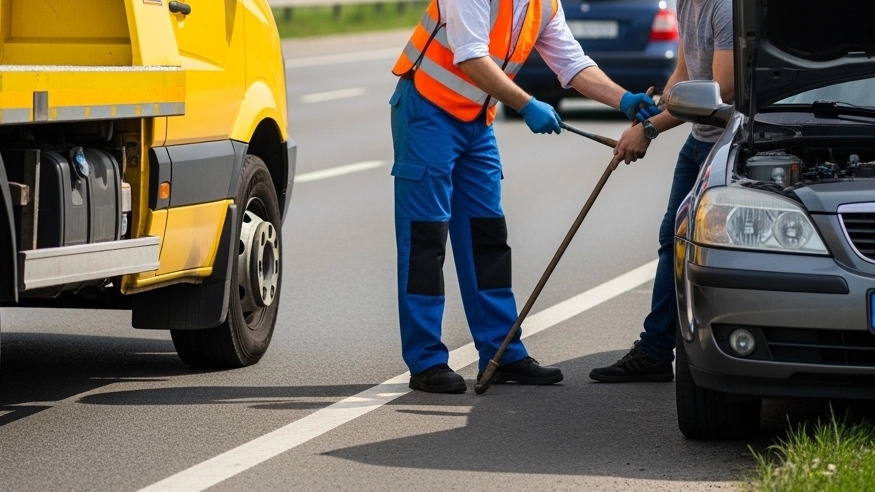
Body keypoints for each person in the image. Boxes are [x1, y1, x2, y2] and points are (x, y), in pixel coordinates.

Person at [390, 0, 660, 393]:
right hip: (426, 112)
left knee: (487, 236)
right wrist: (527, 104)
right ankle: (426, 361)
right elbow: (470, 58)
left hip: (474, 122)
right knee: (425, 239)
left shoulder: (542, 5)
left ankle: (502, 352)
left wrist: (622, 100)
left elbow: (571, 63)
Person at [589, 0, 734, 383]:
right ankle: (655, 351)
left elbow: (722, 91)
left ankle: (723, 347)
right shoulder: (687, 2)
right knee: (673, 239)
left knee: (704, 247)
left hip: (727, 147)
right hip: (699, 140)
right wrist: (654, 108)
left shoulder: (727, 8)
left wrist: (651, 129)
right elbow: (684, 74)